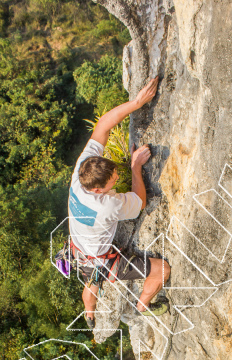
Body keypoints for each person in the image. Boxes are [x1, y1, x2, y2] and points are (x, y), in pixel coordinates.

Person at [68, 75, 171, 329]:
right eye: (113, 182)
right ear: (99, 190)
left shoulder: (82, 172)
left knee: (90, 281)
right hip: (101, 259)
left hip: (79, 250)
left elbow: (103, 126)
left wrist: (137, 102)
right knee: (162, 270)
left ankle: (89, 314)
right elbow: (139, 203)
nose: (117, 180)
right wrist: (135, 168)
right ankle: (143, 306)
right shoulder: (106, 206)